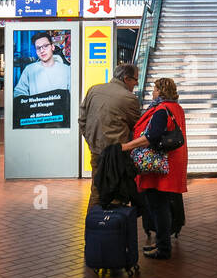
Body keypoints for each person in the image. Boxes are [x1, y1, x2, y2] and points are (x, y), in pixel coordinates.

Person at [122, 77, 187, 260]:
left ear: (161, 91)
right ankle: (161, 244)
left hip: (159, 166)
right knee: (163, 205)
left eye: (155, 89)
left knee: (159, 207)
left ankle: (163, 248)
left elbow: (150, 137)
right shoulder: (177, 108)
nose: (153, 92)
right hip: (172, 163)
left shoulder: (161, 110)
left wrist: (126, 147)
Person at [80, 64, 141, 205]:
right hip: (117, 154)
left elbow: (82, 120)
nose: (136, 83)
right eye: (135, 80)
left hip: (96, 151)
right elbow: (137, 126)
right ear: (126, 79)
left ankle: (93, 225)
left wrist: (92, 142)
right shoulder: (129, 98)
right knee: (117, 192)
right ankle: (112, 224)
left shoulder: (93, 90)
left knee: (96, 191)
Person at [13, 32, 71, 97]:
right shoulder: (29, 70)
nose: (42, 50)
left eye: (45, 46)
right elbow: (18, 93)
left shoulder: (66, 70)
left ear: (52, 47)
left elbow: (73, 95)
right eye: (38, 48)